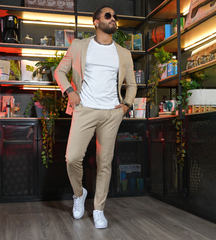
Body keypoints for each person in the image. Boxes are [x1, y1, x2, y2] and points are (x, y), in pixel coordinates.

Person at [54, 5, 137, 229]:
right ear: (96, 22)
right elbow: (59, 71)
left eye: (115, 17)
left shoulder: (123, 53)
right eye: (108, 16)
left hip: (112, 113)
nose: (113, 19)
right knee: (72, 158)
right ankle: (79, 194)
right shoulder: (80, 46)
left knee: (104, 163)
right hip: (85, 109)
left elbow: (131, 84)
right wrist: (70, 92)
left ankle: (99, 209)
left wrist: (125, 107)